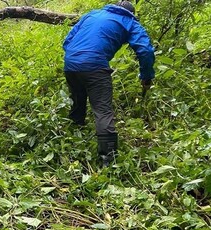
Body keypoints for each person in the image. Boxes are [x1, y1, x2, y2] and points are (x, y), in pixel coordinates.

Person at [63, 1, 155, 167]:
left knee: (78, 100)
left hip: (70, 63)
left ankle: (72, 139)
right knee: (103, 110)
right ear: (131, 13)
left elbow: (68, 40)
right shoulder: (129, 22)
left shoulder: (92, 14)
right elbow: (146, 50)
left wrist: (77, 57)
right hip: (94, 66)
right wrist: (146, 76)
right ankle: (109, 160)